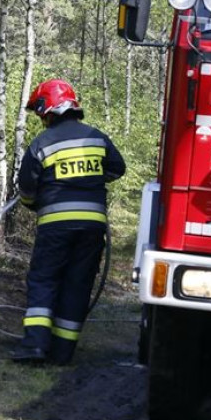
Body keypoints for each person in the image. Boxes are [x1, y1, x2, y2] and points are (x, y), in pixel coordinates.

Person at [12, 79, 126, 365]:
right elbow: (117, 168)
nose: (40, 119)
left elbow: (26, 188)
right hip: (92, 227)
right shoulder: (97, 138)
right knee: (78, 285)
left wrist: (33, 204)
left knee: (44, 280)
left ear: (49, 109)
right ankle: (62, 353)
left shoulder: (42, 143)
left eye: (40, 113)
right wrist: (90, 180)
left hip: (55, 226)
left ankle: (34, 347)